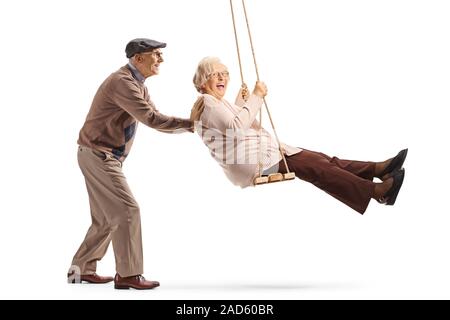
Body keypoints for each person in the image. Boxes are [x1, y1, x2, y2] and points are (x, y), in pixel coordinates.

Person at [190, 57, 406, 214]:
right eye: (214, 74)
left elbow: (233, 128)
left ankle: (378, 169)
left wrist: (242, 102)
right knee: (318, 168)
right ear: (202, 82)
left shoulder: (217, 103)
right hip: (253, 161)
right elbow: (237, 129)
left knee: (321, 160)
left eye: (224, 73)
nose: (222, 78)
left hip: (256, 155)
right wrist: (256, 96)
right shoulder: (208, 102)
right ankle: (376, 192)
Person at [68, 38, 193, 290]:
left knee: (105, 217)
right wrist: (192, 124)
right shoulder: (123, 82)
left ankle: (80, 270)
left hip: (97, 154)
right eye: (156, 54)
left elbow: (153, 116)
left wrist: (189, 126)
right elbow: (152, 119)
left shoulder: (136, 83)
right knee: (127, 210)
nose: (161, 60)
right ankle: (128, 274)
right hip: (99, 155)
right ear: (138, 58)